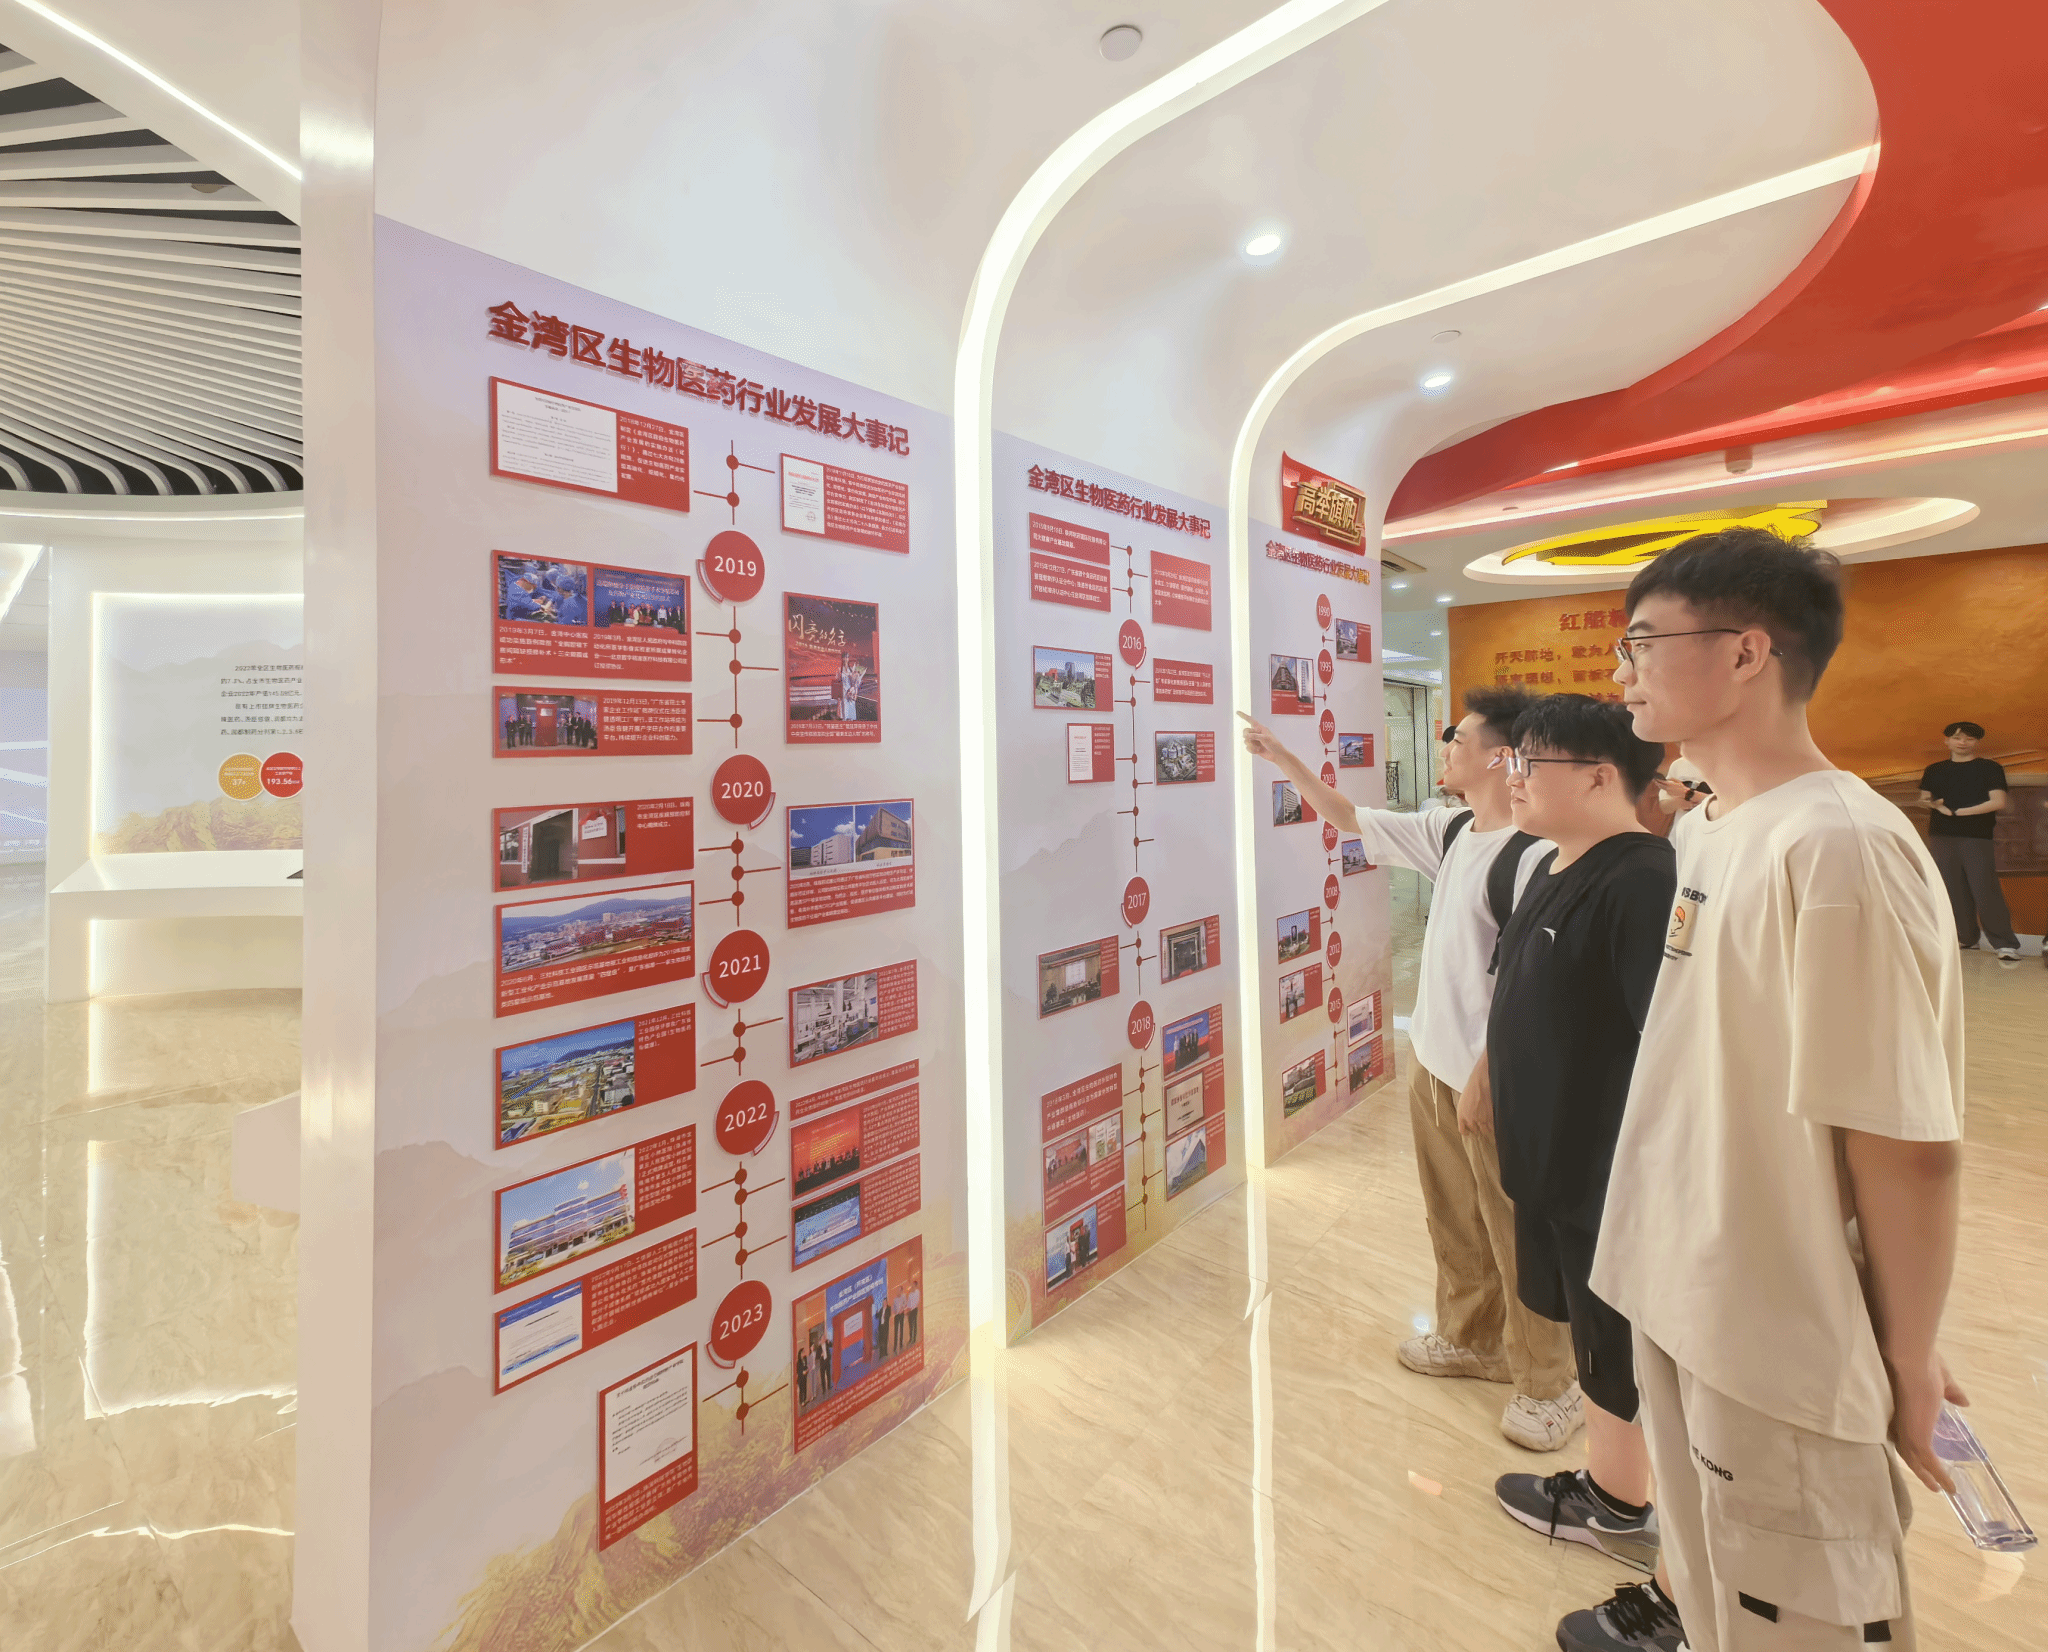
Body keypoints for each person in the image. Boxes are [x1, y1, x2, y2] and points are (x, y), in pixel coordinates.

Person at [1584, 525, 1965, 1652]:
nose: (1622, 670)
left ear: (1746, 651)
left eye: (1642, 641)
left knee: (1794, 1614)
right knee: (1712, 1599)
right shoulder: (1710, 826)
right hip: (1681, 1279)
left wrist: (1908, 1353)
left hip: (1778, 1329)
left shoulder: (1837, 846)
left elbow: (1901, 1141)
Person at [1241, 688, 1580, 1451]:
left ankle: (1551, 1382)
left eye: (1458, 738)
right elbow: (1347, 817)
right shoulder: (1452, 829)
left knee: (1518, 1229)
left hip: (1497, 1077)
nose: (1444, 746)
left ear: (1501, 757)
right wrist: (1283, 757)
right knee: (1454, 1214)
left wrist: (1488, 1074)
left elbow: (1538, 987)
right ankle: (1473, 1338)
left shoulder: (1536, 854)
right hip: (1433, 1063)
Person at [1480, 697, 1677, 1621]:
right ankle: (1612, 1492)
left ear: (1601, 775)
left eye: (1531, 762)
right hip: (1552, 1168)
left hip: (1607, 1181)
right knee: (1596, 1348)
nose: (1513, 777)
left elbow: (1665, 1047)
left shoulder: (1642, 880)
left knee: (1628, 1354)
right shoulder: (1551, 861)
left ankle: (1644, 1517)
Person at [1917, 721, 2019, 960]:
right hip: (1941, 834)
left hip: (1976, 835)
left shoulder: (1989, 768)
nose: (1962, 743)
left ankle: (2005, 944)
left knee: (1984, 888)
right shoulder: (1934, 769)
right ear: (1947, 741)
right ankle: (1966, 938)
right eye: (1957, 738)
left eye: (1969, 738)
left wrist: (1961, 812)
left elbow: (1998, 801)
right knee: (1952, 888)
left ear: (1977, 742)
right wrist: (1933, 805)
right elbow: (1924, 799)